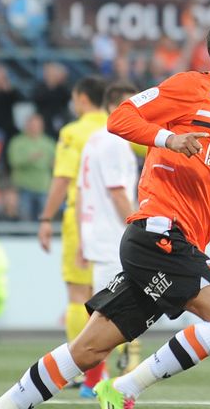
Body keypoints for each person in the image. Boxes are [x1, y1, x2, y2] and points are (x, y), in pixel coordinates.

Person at [0, 10, 210, 409]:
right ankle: (127, 388)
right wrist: (169, 140)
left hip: (170, 248)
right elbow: (120, 117)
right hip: (160, 233)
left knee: (87, 351)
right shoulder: (190, 87)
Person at [36, 76, 109, 389]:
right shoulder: (117, 125)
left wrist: (45, 217)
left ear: (81, 99)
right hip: (116, 221)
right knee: (107, 297)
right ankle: (106, 368)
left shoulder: (73, 132)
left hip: (82, 217)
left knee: (78, 296)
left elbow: (63, 178)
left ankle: (80, 368)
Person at [75, 81, 141, 397]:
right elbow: (117, 194)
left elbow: (80, 192)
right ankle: (95, 383)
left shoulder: (94, 140)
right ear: (115, 106)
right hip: (114, 239)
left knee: (106, 314)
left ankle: (91, 382)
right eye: (132, 104)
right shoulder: (115, 141)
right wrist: (138, 230)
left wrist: (80, 241)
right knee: (110, 317)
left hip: (96, 236)